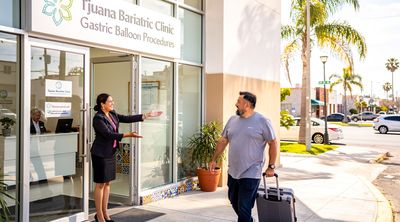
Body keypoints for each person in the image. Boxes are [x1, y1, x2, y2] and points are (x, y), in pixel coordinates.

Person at [208, 91, 278, 222]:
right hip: (233, 171)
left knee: (244, 207)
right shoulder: (232, 120)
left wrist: (271, 166)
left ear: (247, 105)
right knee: (234, 202)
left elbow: (273, 143)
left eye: (238, 102)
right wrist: (214, 159)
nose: (236, 104)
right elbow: (223, 141)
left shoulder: (263, 121)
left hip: (252, 171)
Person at [91, 93, 161, 222]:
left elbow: (127, 118)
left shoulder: (112, 114)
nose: (113, 103)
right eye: (110, 101)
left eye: (113, 101)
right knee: (100, 184)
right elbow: (108, 134)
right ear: (102, 104)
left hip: (110, 153)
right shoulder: (98, 118)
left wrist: (145, 115)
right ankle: (99, 216)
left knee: (107, 184)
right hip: (100, 154)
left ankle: (105, 213)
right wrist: (129, 135)